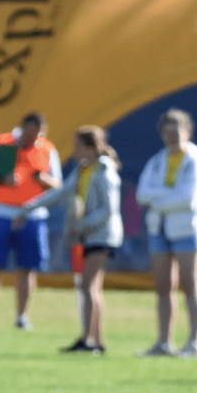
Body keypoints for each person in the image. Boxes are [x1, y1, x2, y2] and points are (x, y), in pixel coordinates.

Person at [14, 126, 122, 354]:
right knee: (92, 287)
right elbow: (61, 193)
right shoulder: (83, 170)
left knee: (87, 285)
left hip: (102, 235)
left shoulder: (105, 171)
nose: (74, 151)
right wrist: (28, 208)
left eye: (78, 146)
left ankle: (90, 340)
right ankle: (94, 340)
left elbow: (108, 210)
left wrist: (81, 225)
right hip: (87, 234)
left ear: (91, 147)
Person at [134, 108, 197, 359]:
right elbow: (142, 194)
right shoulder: (157, 160)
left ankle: (194, 343)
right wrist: (165, 198)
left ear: (187, 132)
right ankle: (164, 342)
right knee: (163, 286)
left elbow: (189, 197)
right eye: (167, 133)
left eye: (176, 133)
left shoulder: (196, 159)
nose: (172, 138)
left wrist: (158, 198)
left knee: (190, 284)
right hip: (160, 228)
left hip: (187, 229)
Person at [0, 112, 62, 329]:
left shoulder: (46, 149)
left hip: (32, 215)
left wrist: (44, 179)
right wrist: (2, 178)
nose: (33, 139)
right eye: (31, 133)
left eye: (38, 134)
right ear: (22, 127)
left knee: (27, 267)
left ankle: (22, 316)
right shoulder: (3, 144)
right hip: (2, 212)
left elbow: (58, 185)